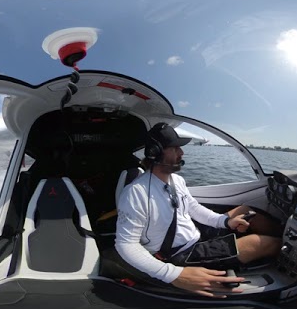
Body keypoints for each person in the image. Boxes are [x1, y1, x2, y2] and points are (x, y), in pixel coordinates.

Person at [115, 122, 282, 298]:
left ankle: (288, 235)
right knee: (264, 243)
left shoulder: (176, 180)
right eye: (175, 148)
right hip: (180, 253)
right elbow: (126, 244)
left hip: (196, 233)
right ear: (155, 153)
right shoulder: (136, 193)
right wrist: (172, 274)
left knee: (247, 211)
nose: (182, 153)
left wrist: (224, 221)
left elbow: (193, 208)